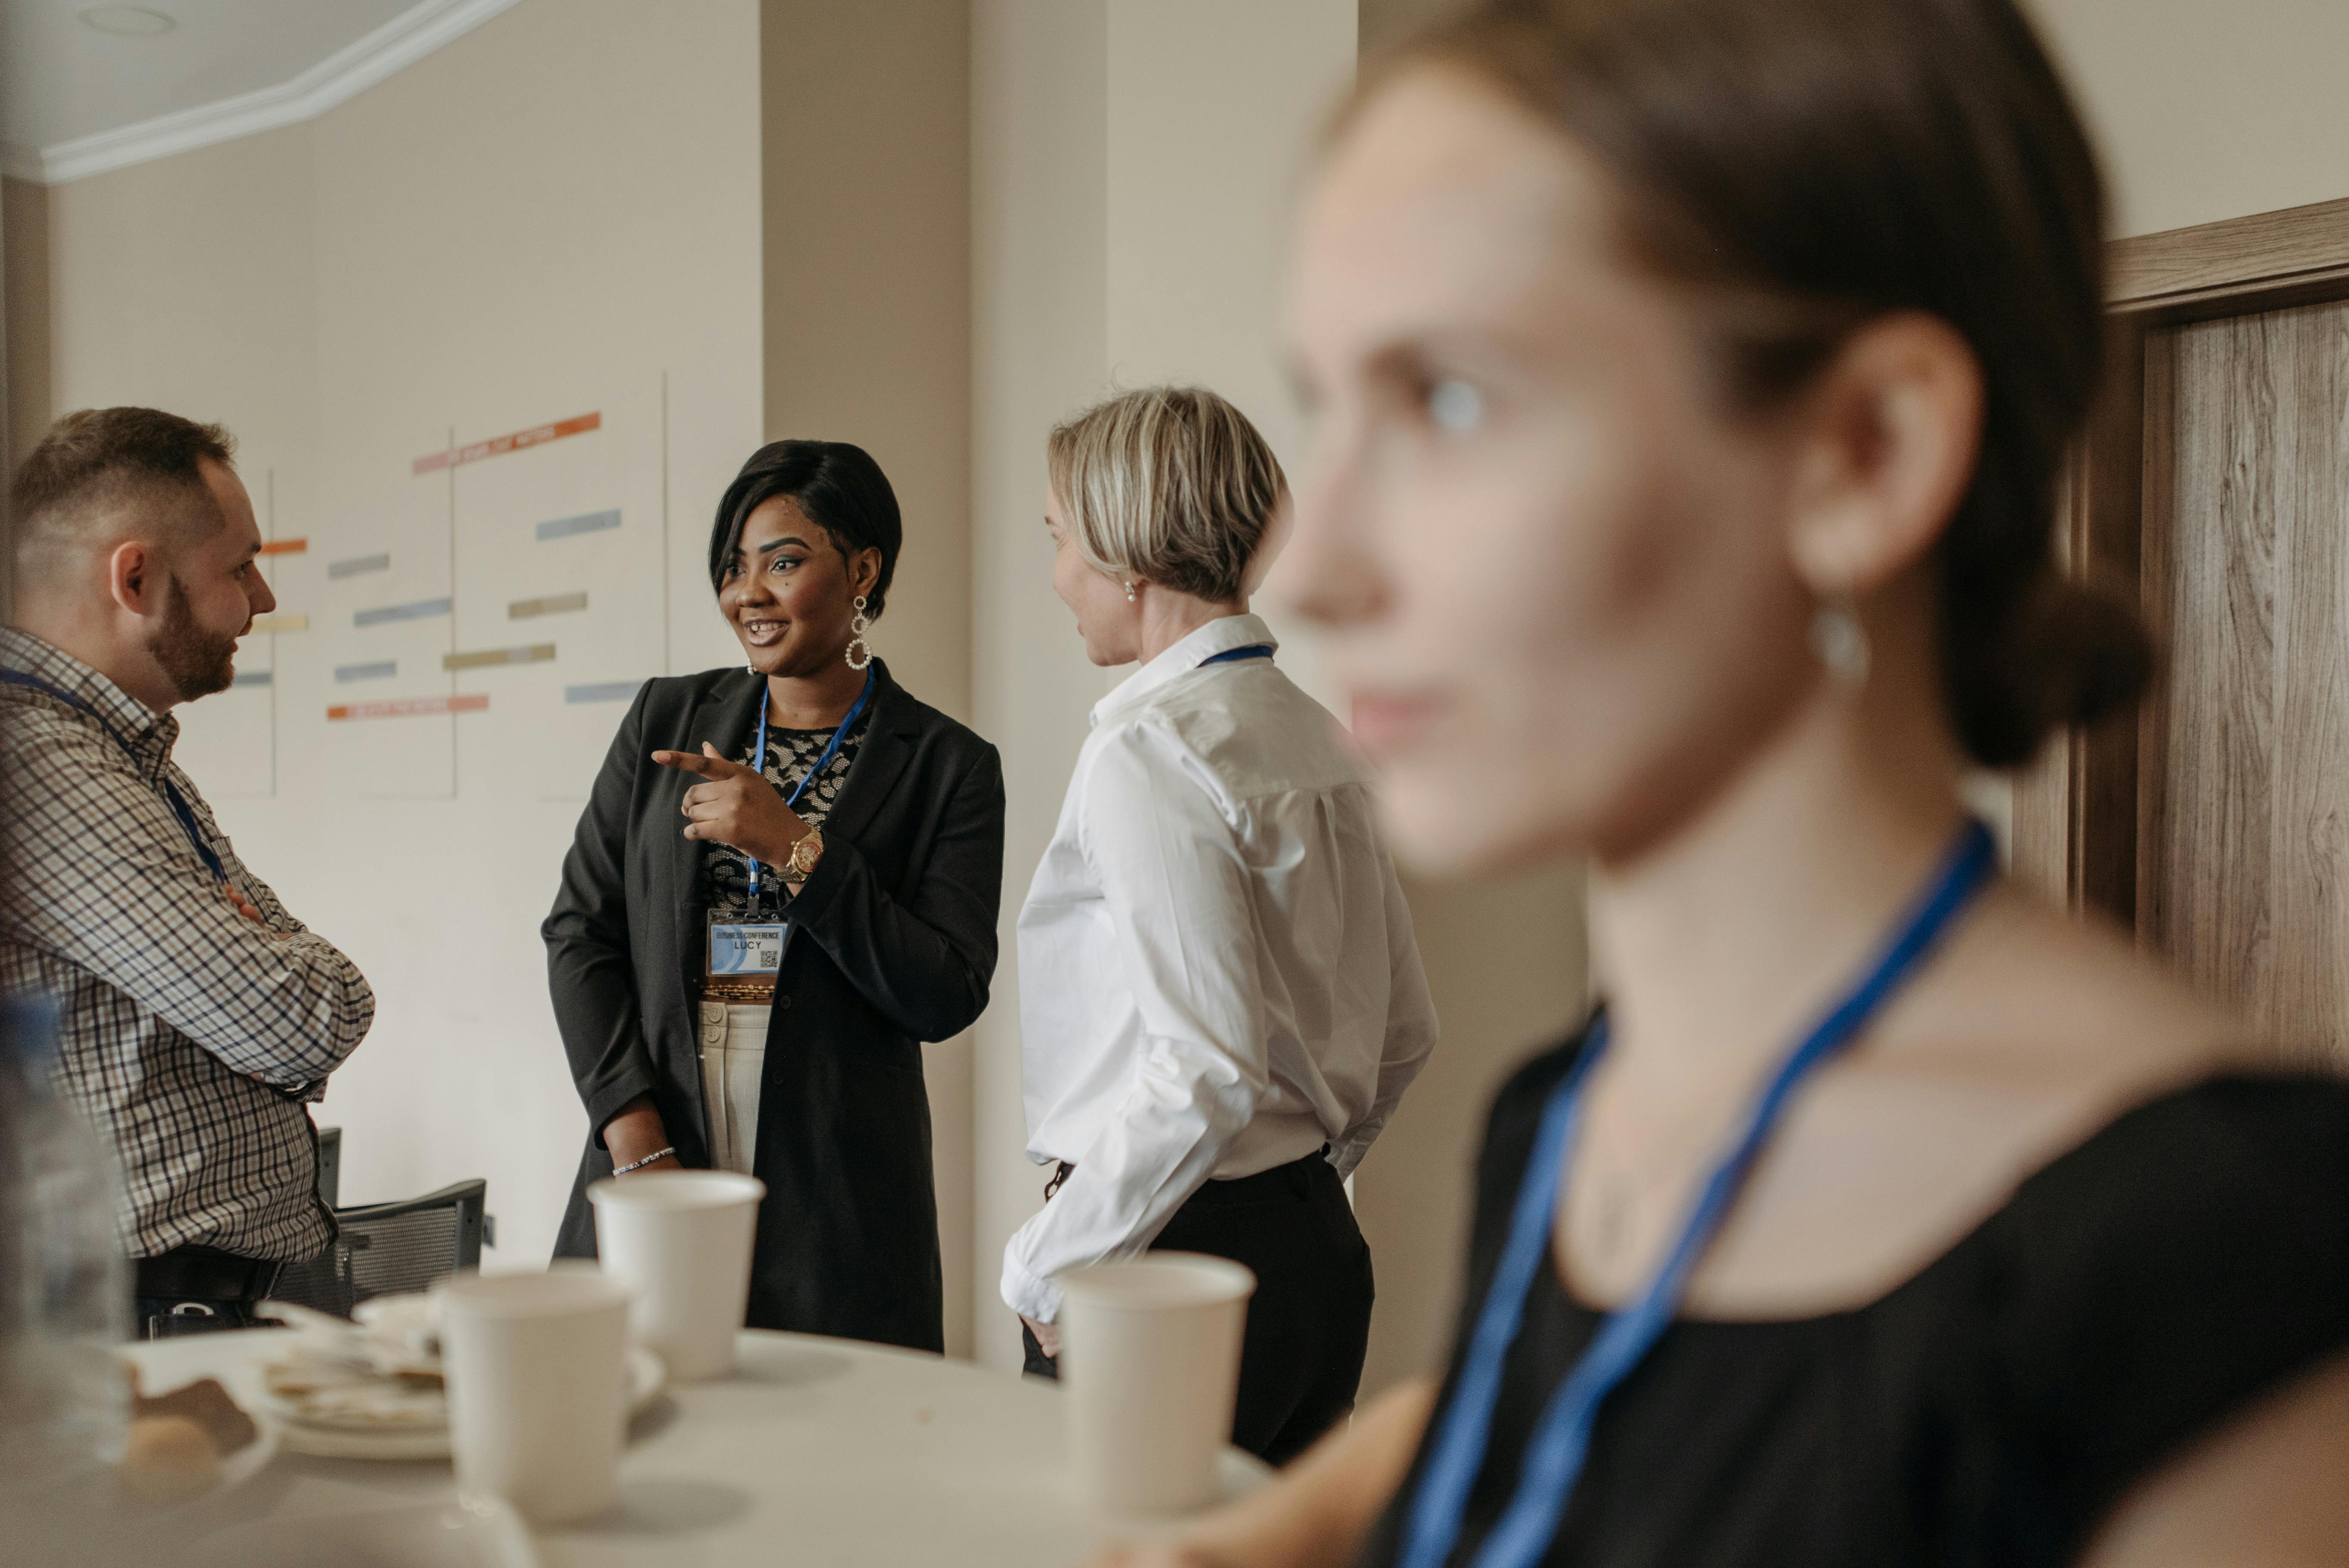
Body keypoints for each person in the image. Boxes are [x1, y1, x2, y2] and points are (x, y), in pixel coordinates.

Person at [1103, 0, 2349, 1563]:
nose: (1328, 564)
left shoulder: (2222, 1270)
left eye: (1452, 399)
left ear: (1861, 453)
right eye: (1330, 407)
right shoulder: (1568, 1110)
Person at [1005, 386, 1438, 1464]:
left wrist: (1040, 1262)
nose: (1058, 574)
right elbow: (1406, 1032)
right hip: (1313, 1256)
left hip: (1154, 1263)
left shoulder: (1149, 750)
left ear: (1127, 556)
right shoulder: (1322, 739)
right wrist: (1296, 1191)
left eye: (1061, 540)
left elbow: (1207, 1064)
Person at [547, 439, 1003, 1352]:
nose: (747, 594)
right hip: (659, 1133)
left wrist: (796, 848)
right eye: (734, 567)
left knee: (826, 1455)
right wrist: (635, 1138)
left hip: (840, 1187)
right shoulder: (665, 718)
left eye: (783, 562)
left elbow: (945, 991)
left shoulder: (949, 764)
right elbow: (580, 933)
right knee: (638, 1433)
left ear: (863, 569)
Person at [0, 407, 375, 1338]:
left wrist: (250, 939)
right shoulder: (43, 765)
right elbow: (299, 1016)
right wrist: (265, 939)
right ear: (136, 577)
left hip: (176, 1296)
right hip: (137, 1310)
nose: (264, 597)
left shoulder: (116, 748)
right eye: (240, 564)